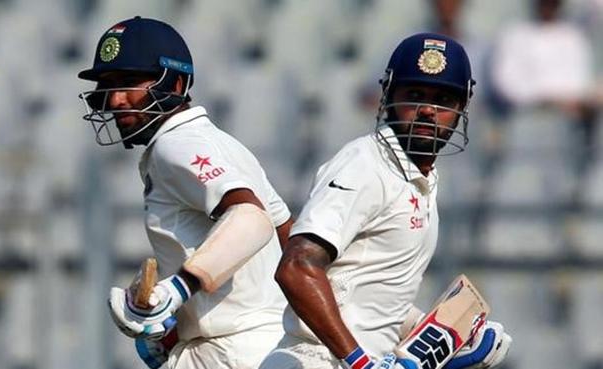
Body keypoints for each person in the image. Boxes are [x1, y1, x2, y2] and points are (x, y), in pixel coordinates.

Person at [259, 33, 512, 369]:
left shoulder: (420, 180)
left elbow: (371, 296)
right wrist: (361, 363)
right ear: (388, 96)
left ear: (461, 109)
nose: (427, 110)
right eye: (415, 95)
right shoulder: (365, 163)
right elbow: (297, 267)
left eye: (442, 100)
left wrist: (448, 336)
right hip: (314, 359)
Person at [77, 16, 293, 369]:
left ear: (175, 83)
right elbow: (290, 237)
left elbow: (253, 220)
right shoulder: (223, 143)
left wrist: (175, 290)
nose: (115, 100)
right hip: (267, 347)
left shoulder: (174, 145)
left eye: (129, 83)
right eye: (107, 86)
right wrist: (171, 324)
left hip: (228, 354)